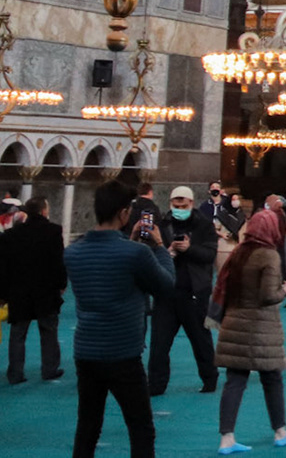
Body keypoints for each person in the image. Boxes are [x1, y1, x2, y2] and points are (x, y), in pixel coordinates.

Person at [65, 178, 175, 458]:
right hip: (122, 352)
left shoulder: (73, 252)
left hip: (86, 350)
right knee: (140, 428)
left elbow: (107, 266)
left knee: (87, 426)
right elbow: (165, 286)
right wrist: (160, 248)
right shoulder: (136, 253)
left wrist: (130, 243)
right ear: (124, 213)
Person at [211, 207, 286, 452]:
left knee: (235, 381)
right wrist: (285, 290)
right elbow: (268, 295)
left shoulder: (239, 252)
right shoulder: (269, 255)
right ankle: (280, 431)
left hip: (234, 324)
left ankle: (226, 438)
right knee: (272, 378)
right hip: (261, 328)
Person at [148, 184, 219, 395]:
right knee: (159, 345)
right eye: (175, 204)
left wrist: (189, 250)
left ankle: (209, 380)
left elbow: (209, 255)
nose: (179, 208)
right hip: (167, 294)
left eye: (183, 205)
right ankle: (156, 385)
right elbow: (148, 253)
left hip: (194, 293)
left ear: (191, 204)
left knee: (201, 341)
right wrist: (166, 251)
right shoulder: (161, 225)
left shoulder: (204, 225)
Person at [0, 194, 65, 385]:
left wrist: (1, 294)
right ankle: (49, 369)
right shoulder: (53, 231)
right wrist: (61, 284)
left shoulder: (12, 235)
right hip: (46, 289)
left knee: (17, 335)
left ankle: (15, 373)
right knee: (49, 331)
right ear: (43, 211)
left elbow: (3, 267)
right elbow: (58, 262)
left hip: (19, 291)